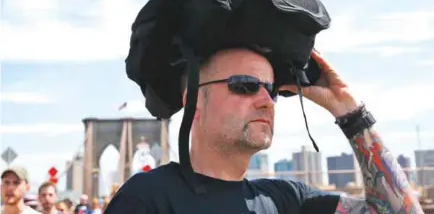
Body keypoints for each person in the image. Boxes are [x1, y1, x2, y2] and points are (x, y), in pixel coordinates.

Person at [104, 48, 424, 213]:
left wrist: (350, 112)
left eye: (271, 90)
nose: (266, 101)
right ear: (193, 103)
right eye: (244, 85)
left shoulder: (286, 200)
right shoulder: (147, 199)